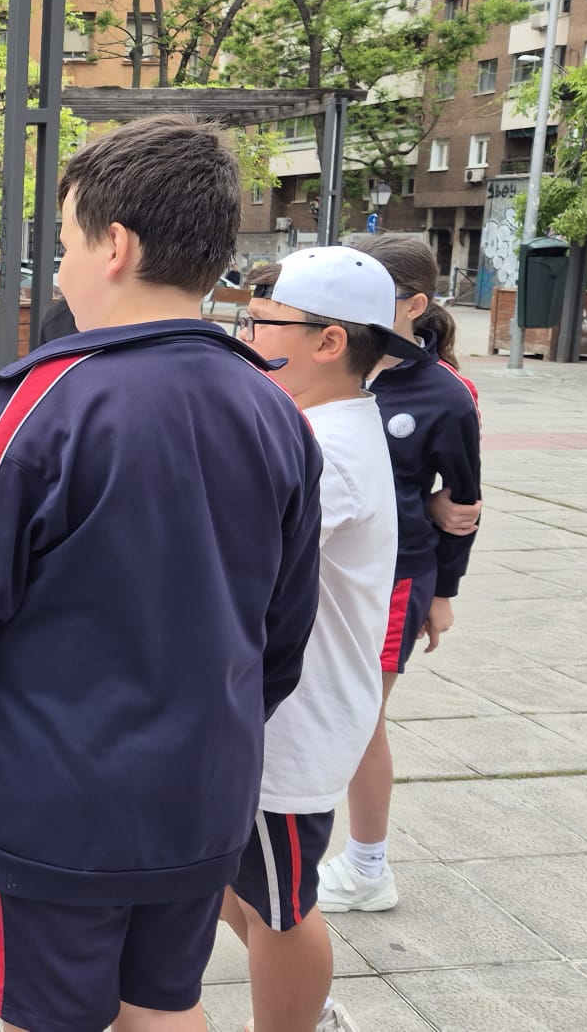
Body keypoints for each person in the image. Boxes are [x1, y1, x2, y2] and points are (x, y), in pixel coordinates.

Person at [0, 114, 323, 1032]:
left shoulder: (44, 404)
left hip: (50, 804)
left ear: (115, 246)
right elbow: (283, 629)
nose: (59, 272)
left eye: (65, 245)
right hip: (199, 792)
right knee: (164, 1006)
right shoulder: (273, 409)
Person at [223, 248, 418, 1032]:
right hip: (281, 712)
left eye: (260, 323)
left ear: (329, 341)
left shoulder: (327, 449)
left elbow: (239, 564)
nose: (245, 336)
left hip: (293, 723)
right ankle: (308, 1009)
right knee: (233, 887)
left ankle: (301, 1020)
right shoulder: (323, 426)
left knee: (278, 909)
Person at [317, 234, 484, 917]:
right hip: (320, 570)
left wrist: (443, 592)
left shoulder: (445, 395)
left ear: (415, 305)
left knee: (361, 717)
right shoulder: (323, 361)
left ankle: (367, 867)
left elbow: (464, 505)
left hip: (396, 579)